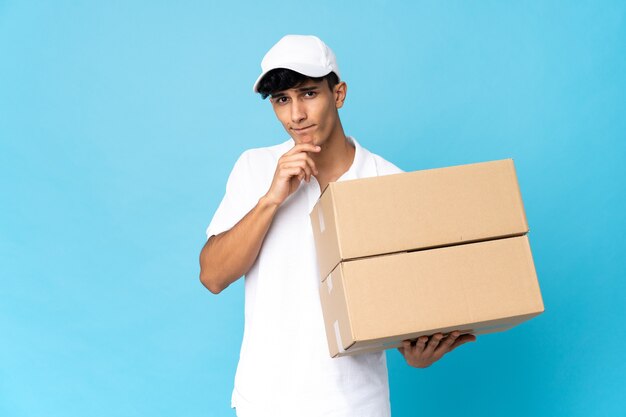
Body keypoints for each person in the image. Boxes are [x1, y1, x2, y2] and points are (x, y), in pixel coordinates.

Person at [199, 34, 476, 417]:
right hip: (265, 403)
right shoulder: (255, 167)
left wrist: (418, 352)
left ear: (339, 93)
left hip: (356, 405)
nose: (296, 114)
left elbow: (407, 304)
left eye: (308, 94)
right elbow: (212, 276)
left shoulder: (389, 183)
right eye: (282, 100)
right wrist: (272, 199)